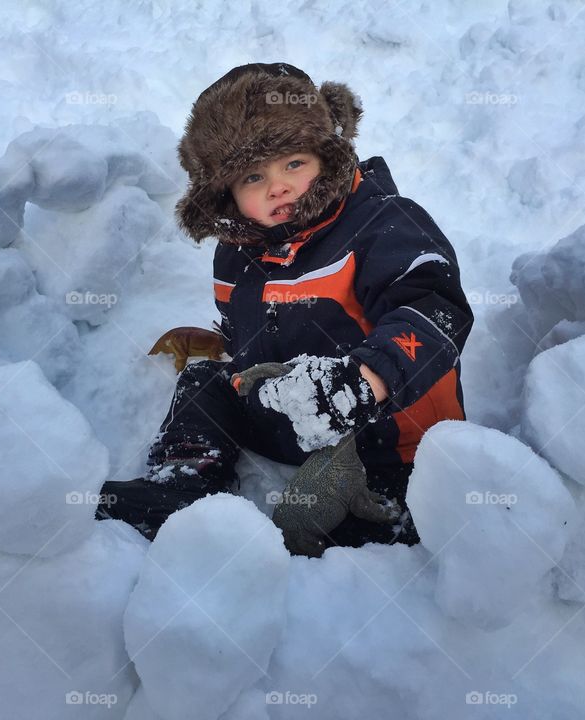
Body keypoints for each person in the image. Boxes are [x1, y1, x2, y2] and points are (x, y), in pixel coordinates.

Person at [96, 62, 473, 551]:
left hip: (383, 440)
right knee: (204, 383)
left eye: (294, 163)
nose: (278, 186)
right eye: (253, 176)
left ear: (327, 155)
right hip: (289, 414)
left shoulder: (383, 223)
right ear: (226, 196)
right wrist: (236, 349)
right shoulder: (239, 252)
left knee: (339, 533)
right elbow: (256, 326)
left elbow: (435, 311)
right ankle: (184, 482)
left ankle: (379, 526)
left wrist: (362, 383)